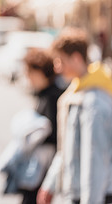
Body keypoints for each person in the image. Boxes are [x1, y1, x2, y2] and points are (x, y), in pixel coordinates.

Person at [37, 27, 112, 204]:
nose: (57, 67)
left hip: (92, 196)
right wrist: (50, 183)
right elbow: (68, 149)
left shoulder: (92, 102)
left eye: (60, 61)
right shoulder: (77, 93)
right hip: (82, 193)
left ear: (76, 58)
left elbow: (95, 162)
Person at [18, 48, 65, 204]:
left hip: (44, 166)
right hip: (40, 166)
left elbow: (56, 134)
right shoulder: (44, 93)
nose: (27, 77)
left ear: (39, 71)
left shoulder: (52, 96)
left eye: (29, 72)